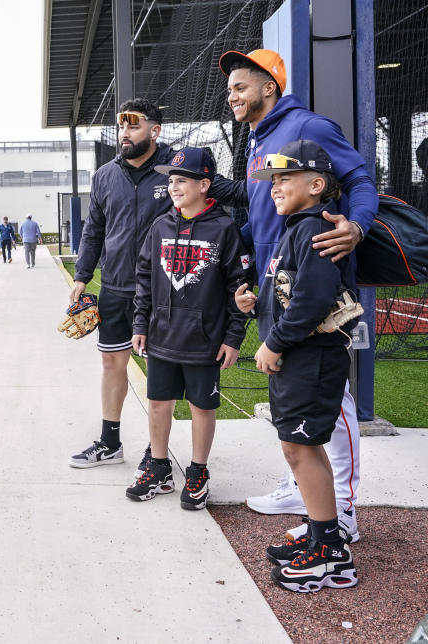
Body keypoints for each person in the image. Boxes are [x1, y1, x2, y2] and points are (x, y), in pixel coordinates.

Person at [214, 48, 377, 543]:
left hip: (315, 284)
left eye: (240, 87)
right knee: (293, 396)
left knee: (335, 400)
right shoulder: (258, 140)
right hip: (275, 282)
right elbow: (261, 219)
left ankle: (342, 508)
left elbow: (361, 180)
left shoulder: (310, 126)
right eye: (229, 91)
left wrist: (357, 228)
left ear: (269, 86)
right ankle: (300, 487)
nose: (232, 97)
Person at [235, 139, 359, 593]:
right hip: (296, 359)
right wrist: (252, 303)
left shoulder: (315, 230)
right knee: (297, 448)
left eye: (285, 178)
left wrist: (274, 341)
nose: (275, 187)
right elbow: (287, 292)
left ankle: (330, 554)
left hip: (310, 358)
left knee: (302, 450)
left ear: (317, 183)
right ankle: (323, 533)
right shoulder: (295, 229)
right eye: (273, 181)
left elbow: (313, 301)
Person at [128, 148, 249, 508]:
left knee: (201, 408)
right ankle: (160, 465)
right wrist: (141, 322)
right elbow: (145, 277)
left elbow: (238, 288)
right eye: (170, 180)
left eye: (182, 180)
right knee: (158, 403)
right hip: (162, 336)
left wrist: (233, 337)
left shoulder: (224, 228)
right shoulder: (161, 225)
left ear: (205, 184)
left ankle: (198, 471)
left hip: (205, 341)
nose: (173, 186)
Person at [68, 99, 181, 468]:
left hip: (164, 289)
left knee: (162, 370)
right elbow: (93, 230)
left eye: (133, 126)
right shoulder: (104, 175)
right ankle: (110, 442)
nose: (124, 134)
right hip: (116, 287)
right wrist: (82, 275)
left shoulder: (175, 170)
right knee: (112, 364)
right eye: (121, 127)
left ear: (155, 129)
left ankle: (157, 451)